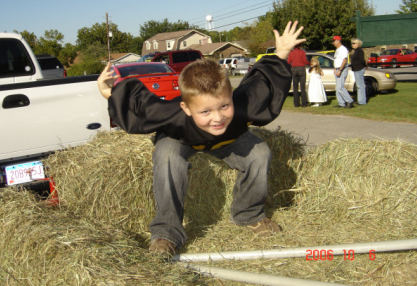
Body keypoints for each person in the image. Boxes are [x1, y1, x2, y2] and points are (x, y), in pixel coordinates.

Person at [97, 21, 305, 257]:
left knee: (260, 151)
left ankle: (249, 215)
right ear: (186, 108)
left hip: (229, 139)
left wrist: (282, 52)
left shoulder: (243, 105)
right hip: (181, 139)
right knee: (166, 156)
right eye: (205, 112)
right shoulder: (171, 116)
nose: (217, 118)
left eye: (224, 106)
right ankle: (166, 232)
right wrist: (108, 92)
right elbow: (140, 104)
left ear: (231, 99)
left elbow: (262, 82)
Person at [332, 36, 354, 108]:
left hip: (342, 69)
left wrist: (340, 69)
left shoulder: (343, 49)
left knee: (340, 87)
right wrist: (335, 68)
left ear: (338, 41)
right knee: (337, 88)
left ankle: (350, 101)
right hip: (338, 69)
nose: (333, 43)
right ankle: (341, 103)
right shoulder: (337, 49)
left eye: (334, 41)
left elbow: (344, 60)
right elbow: (337, 60)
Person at [287, 43, 310, 107]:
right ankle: (304, 103)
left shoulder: (291, 53)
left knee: (295, 87)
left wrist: (292, 66)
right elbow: (305, 61)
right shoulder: (302, 52)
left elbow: (288, 62)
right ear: (300, 46)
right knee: (302, 87)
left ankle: (296, 104)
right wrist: (310, 63)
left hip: (294, 69)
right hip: (301, 69)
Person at [350, 38, 368, 105]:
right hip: (356, 69)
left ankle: (362, 101)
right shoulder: (355, 51)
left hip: (359, 69)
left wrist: (365, 65)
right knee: (359, 85)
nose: (352, 45)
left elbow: (362, 60)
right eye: (352, 43)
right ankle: (360, 100)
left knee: (360, 85)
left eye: (354, 43)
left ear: (358, 44)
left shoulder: (360, 51)